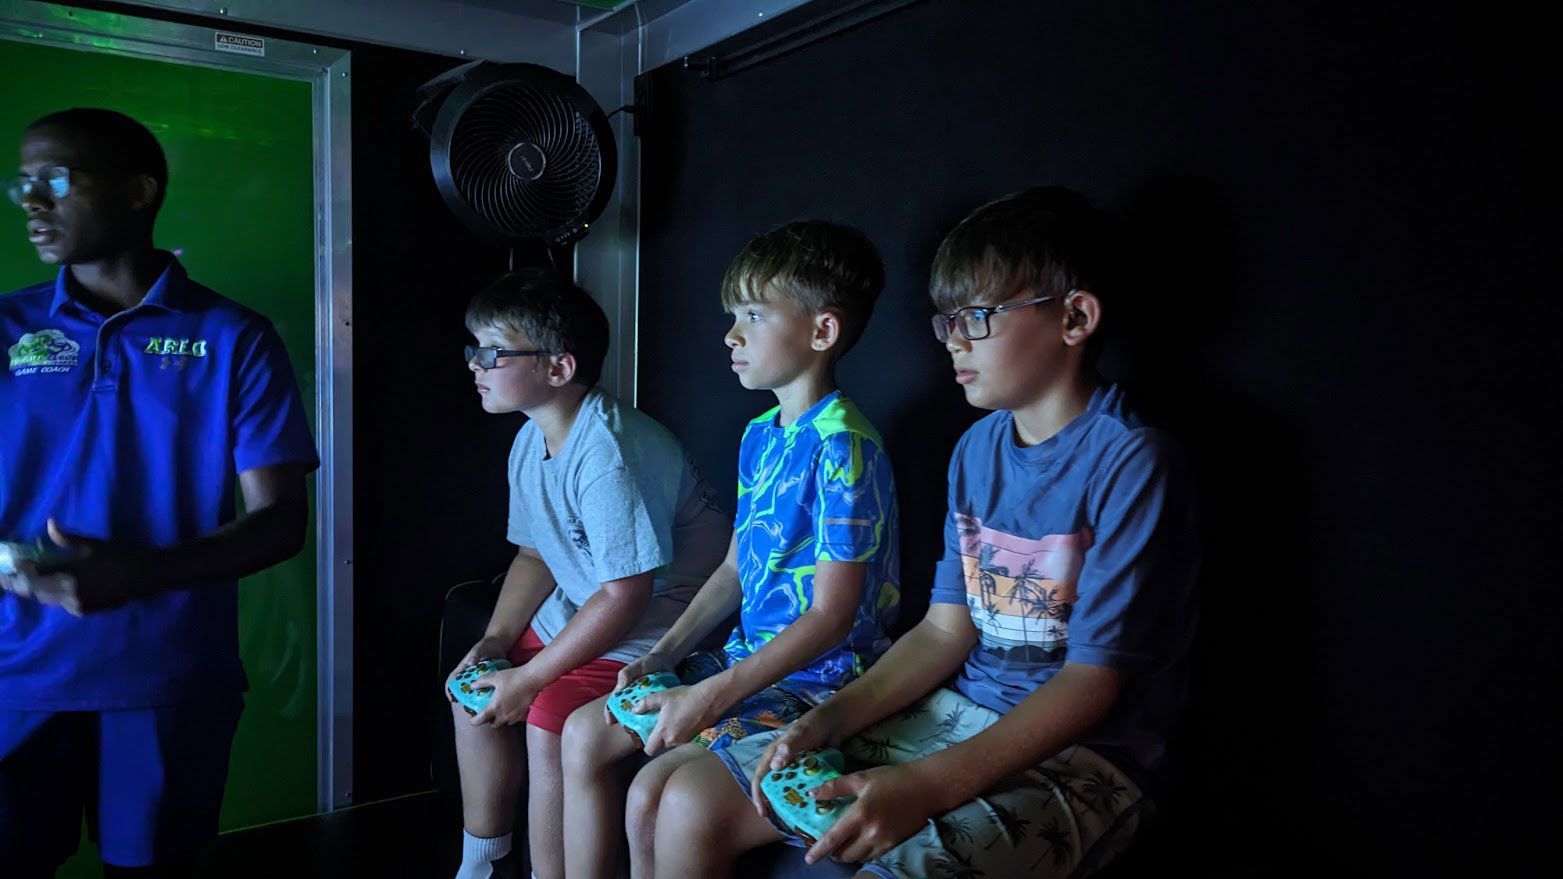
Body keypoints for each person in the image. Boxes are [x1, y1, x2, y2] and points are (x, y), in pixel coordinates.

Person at [641, 187, 1200, 878]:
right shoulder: (975, 450)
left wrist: (929, 786)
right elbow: (943, 631)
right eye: (946, 321)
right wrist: (829, 720)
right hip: (956, 709)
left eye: (978, 316)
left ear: (1074, 316)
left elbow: (1092, 680)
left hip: (1085, 755)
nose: (954, 339)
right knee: (688, 802)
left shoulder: (1130, 459)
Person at [0, 108, 318, 878]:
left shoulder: (234, 336)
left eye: (54, 180)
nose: (31, 203)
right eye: (22, 184)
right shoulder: (6, 328)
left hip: (166, 679)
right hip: (15, 674)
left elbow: (279, 523)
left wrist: (139, 572)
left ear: (139, 191)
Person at [558, 219, 902, 879]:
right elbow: (735, 567)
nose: (730, 335)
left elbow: (832, 616)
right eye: (731, 315)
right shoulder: (760, 435)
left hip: (818, 685)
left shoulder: (844, 447)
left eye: (751, 314)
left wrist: (711, 695)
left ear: (820, 331)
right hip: (742, 659)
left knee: (653, 795)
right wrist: (664, 653)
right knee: (583, 732)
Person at [448, 269, 730, 879]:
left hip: (660, 619)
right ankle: (484, 860)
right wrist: (496, 644)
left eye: (493, 352)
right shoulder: (531, 439)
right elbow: (535, 555)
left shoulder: (608, 452)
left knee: (548, 714)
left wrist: (533, 679)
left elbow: (627, 595)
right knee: (472, 683)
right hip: (591, 601)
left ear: (558, 369)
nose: (476, 363)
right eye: (474, 348)